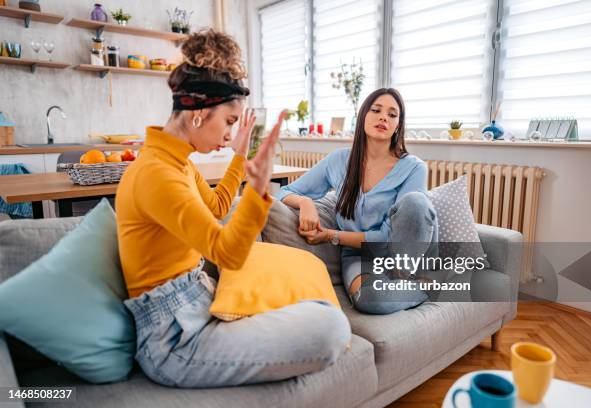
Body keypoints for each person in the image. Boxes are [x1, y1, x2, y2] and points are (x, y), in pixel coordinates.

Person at [115, 29, 350, 388]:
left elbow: (217, 206)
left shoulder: (178, 163)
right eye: (228, 122)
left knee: (316, 304)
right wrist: (258, 187)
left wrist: (239, 157)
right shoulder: (156, 174)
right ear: (198, 113)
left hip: (196, 298)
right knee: (331, 327)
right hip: (173, 338)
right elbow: (226, 251)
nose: (229, 133)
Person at [277, 88, 439, 315]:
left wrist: (331, 236)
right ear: (363, 115)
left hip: (403, 255)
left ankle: (422, 281)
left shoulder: (413, 167)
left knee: (416, 202)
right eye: (376, 110)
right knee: (370, 300)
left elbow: (387, 239)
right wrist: (306, 202)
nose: (384, 117)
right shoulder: (339, 160)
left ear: (398, 125)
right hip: (358, 256)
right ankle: (415, 290)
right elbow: (282, 192)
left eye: (393, 115)